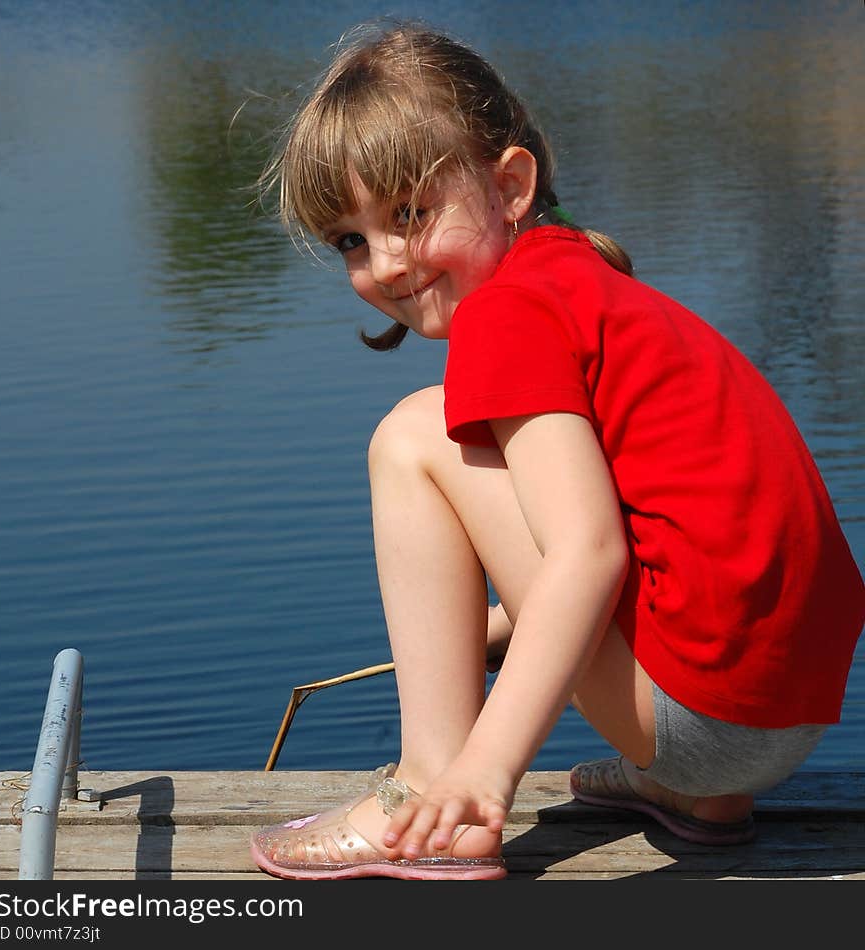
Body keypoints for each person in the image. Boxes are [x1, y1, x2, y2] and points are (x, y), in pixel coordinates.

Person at [249, 20, 865, 880]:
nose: (386, 263)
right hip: (787, 717)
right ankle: (700, 800)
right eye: (351, 239)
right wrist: (488, 630)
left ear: (510, 185)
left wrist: (484, 772)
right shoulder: (584, 285)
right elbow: (643, 533)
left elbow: (591, 551)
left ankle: (434, 799)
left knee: (412, 437)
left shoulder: (506, 316)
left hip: (701, 719)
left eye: (410, 214)